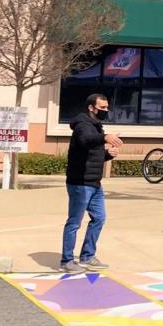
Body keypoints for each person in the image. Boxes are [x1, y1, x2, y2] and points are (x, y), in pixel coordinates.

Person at [61, 93, 121, 273]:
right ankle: (67, 260)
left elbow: (93, 155)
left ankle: (87, 256)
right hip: (80, 182)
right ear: (91, 108)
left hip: (94, 183)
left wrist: (108, 154)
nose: (105, 110)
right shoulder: (82, 125)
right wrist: (104, 138)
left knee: (99, 218)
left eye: (106, 107)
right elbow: (86, 140)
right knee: (74, 222)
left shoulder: (96, 127)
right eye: (102, 108)